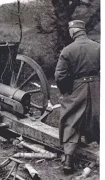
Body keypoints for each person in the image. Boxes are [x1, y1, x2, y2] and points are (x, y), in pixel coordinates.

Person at [54, 20, 100, 174]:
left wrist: (66, 91)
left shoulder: (67, 50)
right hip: (97, 87)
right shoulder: (98, 47)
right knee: (98, 117)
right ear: (83, 31)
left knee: (71, 120)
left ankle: (68, 162)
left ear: (73, 31)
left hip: (77, 87)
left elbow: (60, 76)